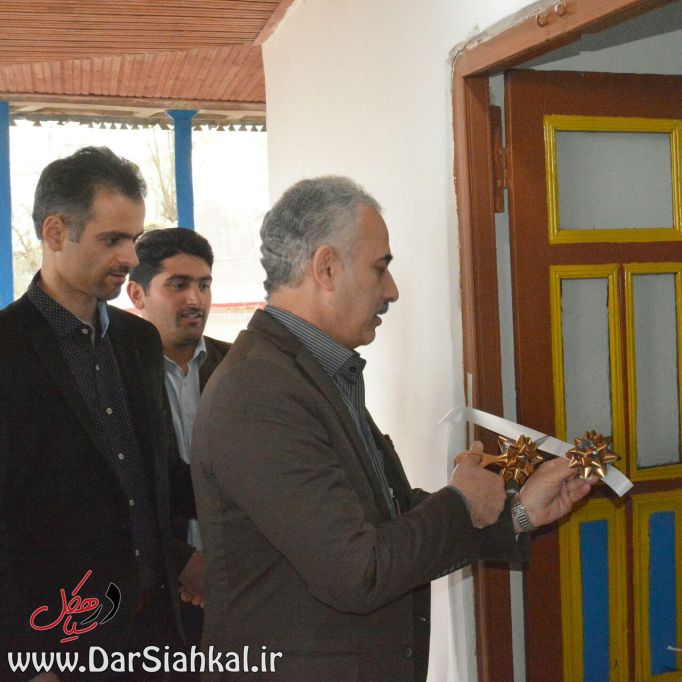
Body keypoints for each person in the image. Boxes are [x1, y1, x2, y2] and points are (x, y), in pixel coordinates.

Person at [191, 176, 593, 681]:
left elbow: (382, 517)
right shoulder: (260, 392)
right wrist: (461, 501)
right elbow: (357, 569)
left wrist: (517, 512)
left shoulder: (313, 373)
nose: (392, 291)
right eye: (380, 268)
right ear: (326, 268)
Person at [0, 147, 196, 680]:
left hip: (159, 631)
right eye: (112, 240)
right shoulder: (7, 350)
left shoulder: (139, 341)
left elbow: (161, 477)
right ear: (56, 232)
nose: (131, 256)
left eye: (134, 238)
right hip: (60, 643)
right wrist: (24, 658)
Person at [128, 227, 230, 649]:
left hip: (237, 588)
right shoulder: (116, 378)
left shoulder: (238, 367)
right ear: (137, 294)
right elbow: (115, 497)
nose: (195, 299)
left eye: (204, 285)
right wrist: (182, 562)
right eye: (178, 284)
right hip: (151, 600)